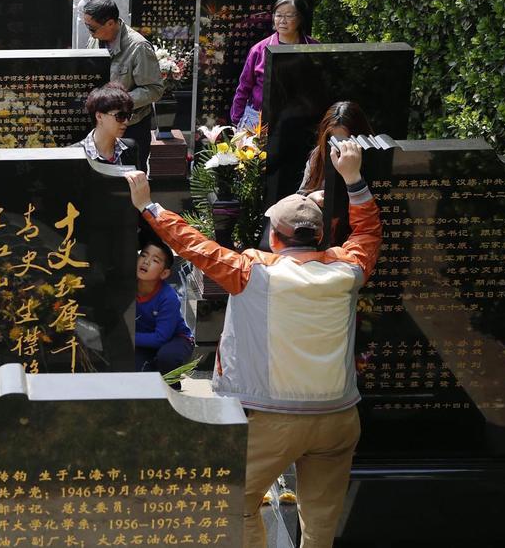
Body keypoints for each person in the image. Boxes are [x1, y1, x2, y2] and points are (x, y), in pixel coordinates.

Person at [123, 139, 381, 548]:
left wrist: (149, 206)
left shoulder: (251, 272)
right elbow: (368, 230)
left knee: (233, 503)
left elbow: (192, 244)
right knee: (321, 519)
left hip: (274, 418)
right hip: (339, 417)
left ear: (274, 237)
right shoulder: (348, 269)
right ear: (317, 236)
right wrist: (354, 179)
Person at [82, 0, 164, 173]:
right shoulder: (95, 39)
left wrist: (118, 103)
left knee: (130, 180)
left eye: (92, 28)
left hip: (129, 127)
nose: (89, 32)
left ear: (110, 23)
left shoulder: (138, 47)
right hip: (101, 127)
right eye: (87, 26)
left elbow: (154, 90)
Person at [230, 0, 319, 130]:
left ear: (301, 18)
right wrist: (237, 121)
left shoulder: (314, 48)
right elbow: (243, 88)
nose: (282, 21)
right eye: (278, 15)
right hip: (257, 118)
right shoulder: (259, 50)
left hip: (300, 120)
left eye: (289, 16)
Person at [133, 237, 195, 378]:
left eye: (155, 260)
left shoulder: (168, 297)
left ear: (164, 273)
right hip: (144, 339)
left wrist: (129, 338)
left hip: (176, 339)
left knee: (167, 358)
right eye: (143, 255)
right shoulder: (127, 288)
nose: (146, 262)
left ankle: (173, 384)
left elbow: (161, 337)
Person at [299, 100, 373, 196]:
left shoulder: (374, 159)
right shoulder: (319, 155)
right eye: (334, 142)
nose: (340, 149)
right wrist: (312, 197)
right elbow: (301, 195)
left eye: (346, 142)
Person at [78, 81, 138, 166]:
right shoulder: (73, 153)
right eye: (120, 116)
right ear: (99, 116)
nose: (126, 122)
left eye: (128, 116)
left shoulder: (130, 147)